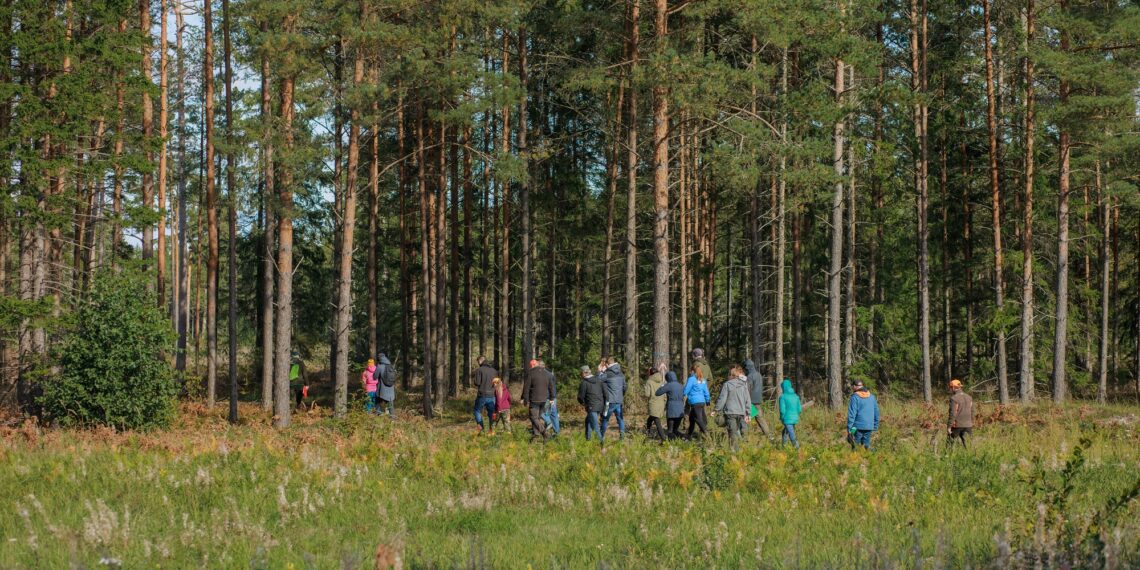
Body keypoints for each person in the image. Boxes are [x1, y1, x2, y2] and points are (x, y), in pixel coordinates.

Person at [713, 365, 751, 452]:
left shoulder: (727, 385)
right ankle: (743, 448)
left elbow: (722, 399)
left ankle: (735, 452)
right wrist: (748, 413)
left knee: (732, 432)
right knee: (738, 430)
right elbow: (748, 400)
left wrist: (716, 409)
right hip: (741, 413)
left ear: (730, 375)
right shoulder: (743, 385)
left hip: (730, 413)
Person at [524, 359, 557, 442]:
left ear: (533, 366)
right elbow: (552, 387)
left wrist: (525, 399)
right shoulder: (548, 374)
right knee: (537, 418)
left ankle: (545, 433)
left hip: (534, 399)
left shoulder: (531, 373)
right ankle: (536, 435)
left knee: (533, 417)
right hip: (544, 399)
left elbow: (526, 387)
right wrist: (552, 397)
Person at [598, 357, 627, 442]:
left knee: (605, 419)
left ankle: (601, 437)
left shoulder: (607, 374)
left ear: (607, 364)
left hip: (609, 401)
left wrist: (600, 371)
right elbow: (625, 387)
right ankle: (622, 438)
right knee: (620, 419)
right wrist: (621, 395)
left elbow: (598, 380)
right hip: (619, 401)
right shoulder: (621, 374)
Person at [846, 380, 880, 450]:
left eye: (852, 387)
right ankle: (873, 454)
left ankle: (855, 455)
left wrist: (849, 430)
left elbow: (852, 414)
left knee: (854, 446)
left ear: (854, 386)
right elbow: (876, 412)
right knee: (866, 446)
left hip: (856, 427)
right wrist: (875, 425)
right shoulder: (872, 396)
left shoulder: (855, 397)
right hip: (869, 426)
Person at [655, 367, 685, 440]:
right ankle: (684, 437)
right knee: (675, 430)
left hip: (672, 411)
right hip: (680, 410)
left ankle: (671, 442)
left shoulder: (668, 385)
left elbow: (657, 393)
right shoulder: (681, 385)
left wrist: (662, 385)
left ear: (668, 378)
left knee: (670, 431)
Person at [744, 359, 771, 438]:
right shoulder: (758, 374)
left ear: (747, 367)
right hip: (758, 400)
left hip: (751, 400)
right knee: (760, 418)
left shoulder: (750, 376)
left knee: (746, 418)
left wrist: (746, 399)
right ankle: (768, 435)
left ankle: (745, 437)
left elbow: (748, 389)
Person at [683, 364, 711, 440]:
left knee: (699, 419)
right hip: (702, 402)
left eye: (690, 371)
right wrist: (707, 400)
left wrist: (682, 393)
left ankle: (707, 435)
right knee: (692, 419)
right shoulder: (702, 380)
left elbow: (686, 390)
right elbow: (706, 391)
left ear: (692, 371)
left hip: (695, 402)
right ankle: (688, 436)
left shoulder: (691, 379)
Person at [577, 365, 604, 441]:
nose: (580, 375)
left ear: (584, 373)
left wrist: (583, 403)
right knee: (588, 421)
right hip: (600, 405)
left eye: (581, 373)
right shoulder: (598, 380)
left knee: (595, 426)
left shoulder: (584, 383)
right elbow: (603, 392)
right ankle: (588, 439)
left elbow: (580, 397)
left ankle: (601, 443)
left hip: (591, 406)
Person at [472, 357, 499, 434]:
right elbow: (497, 383)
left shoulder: (479, 370)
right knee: (492, 413)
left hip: (482, 395)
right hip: (492, 395)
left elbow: (477, 383)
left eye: (478, 362)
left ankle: (481, 430)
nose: (478, 363)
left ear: (480, 361)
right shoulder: (494, 371)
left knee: (477, 411)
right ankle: (492, 431)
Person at [947, 379, 973, 449]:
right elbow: (972, 411)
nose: (950, 389)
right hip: (968, 425)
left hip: (957, 426)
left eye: (950, 387)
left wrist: (949, 426)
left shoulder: (954, 398)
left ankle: (949, 455)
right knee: (969, 447)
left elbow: (953, 413)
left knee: (950, 446)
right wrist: (971, 422)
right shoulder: (969, 397)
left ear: (953, 387)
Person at [643, 363, 667, 440]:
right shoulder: (661, 381)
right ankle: (648, 432)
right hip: (661, 404)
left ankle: (664, 439)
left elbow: (647, 394)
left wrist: (645, 388)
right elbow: (665, 394)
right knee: (650, 419)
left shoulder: (649, 381)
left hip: (653, 404)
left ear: (650, 373)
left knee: (657, 422)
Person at [777, 378, 801, 449]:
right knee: (785, 431)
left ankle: (797, 448)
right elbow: (799, 409)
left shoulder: (783, 397)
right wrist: (795, 415)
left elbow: (782, 410)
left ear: (783, 387)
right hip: (795, 418)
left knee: (791, 433)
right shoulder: (796, 396)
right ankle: (784, 447)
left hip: (787, 418)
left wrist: (782, 418)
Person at [539, 361, 561, 436]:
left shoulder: (544, 375)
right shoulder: (550, 374)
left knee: (541, 413)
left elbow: (551, 387)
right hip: (552, 397)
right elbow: (553, 387)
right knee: (553, 415)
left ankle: (549, 422)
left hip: (548, 397)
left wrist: (551, 398)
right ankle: (557, 432)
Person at [374, 353, 396, 417]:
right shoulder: (390, 365)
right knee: (390, 401)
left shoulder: (380, 366)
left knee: (377, 399)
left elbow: (374, 377)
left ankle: (378, 413)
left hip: (382, 389)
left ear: (379, 358)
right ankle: (392, 416)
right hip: (391, 388)